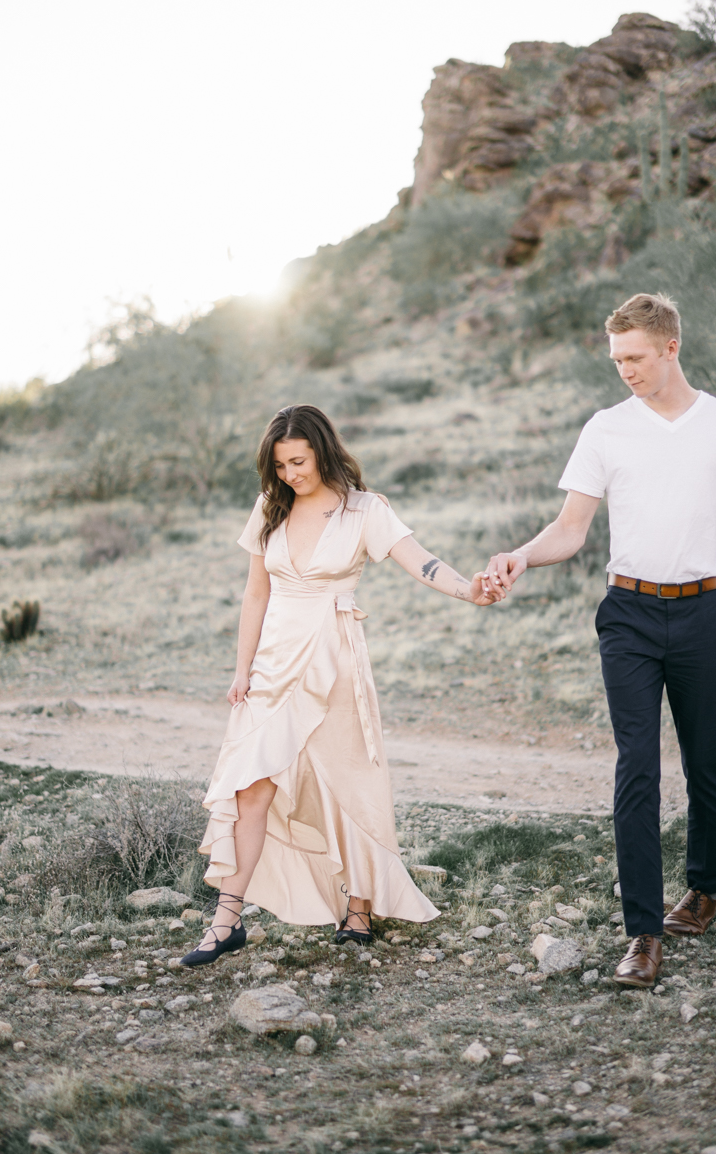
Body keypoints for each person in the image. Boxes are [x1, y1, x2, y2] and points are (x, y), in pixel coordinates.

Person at [482, 293, 716, 989]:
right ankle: (644, 934)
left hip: (706, 612)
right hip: (627, 611)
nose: (624, 370)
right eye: (616, 359)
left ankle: (705, 888)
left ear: (670, 349)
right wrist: (520, 556)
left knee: (705, 759)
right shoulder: (605, 429)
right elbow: (571, 529)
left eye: (634, 357)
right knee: (636, 766)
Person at [182, 404, 492, 966]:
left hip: (334, 662)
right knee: (250, 789)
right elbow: (256, 593)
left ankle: (360, 908)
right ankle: (226, 923)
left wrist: (470, 590)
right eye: (279, 466)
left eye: (297, 461)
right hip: (272, 666)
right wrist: (241, 668)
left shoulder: (365, 511)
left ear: (322, 450)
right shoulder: (269, 509)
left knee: (347, 783)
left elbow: (420, 562)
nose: (290, 474)